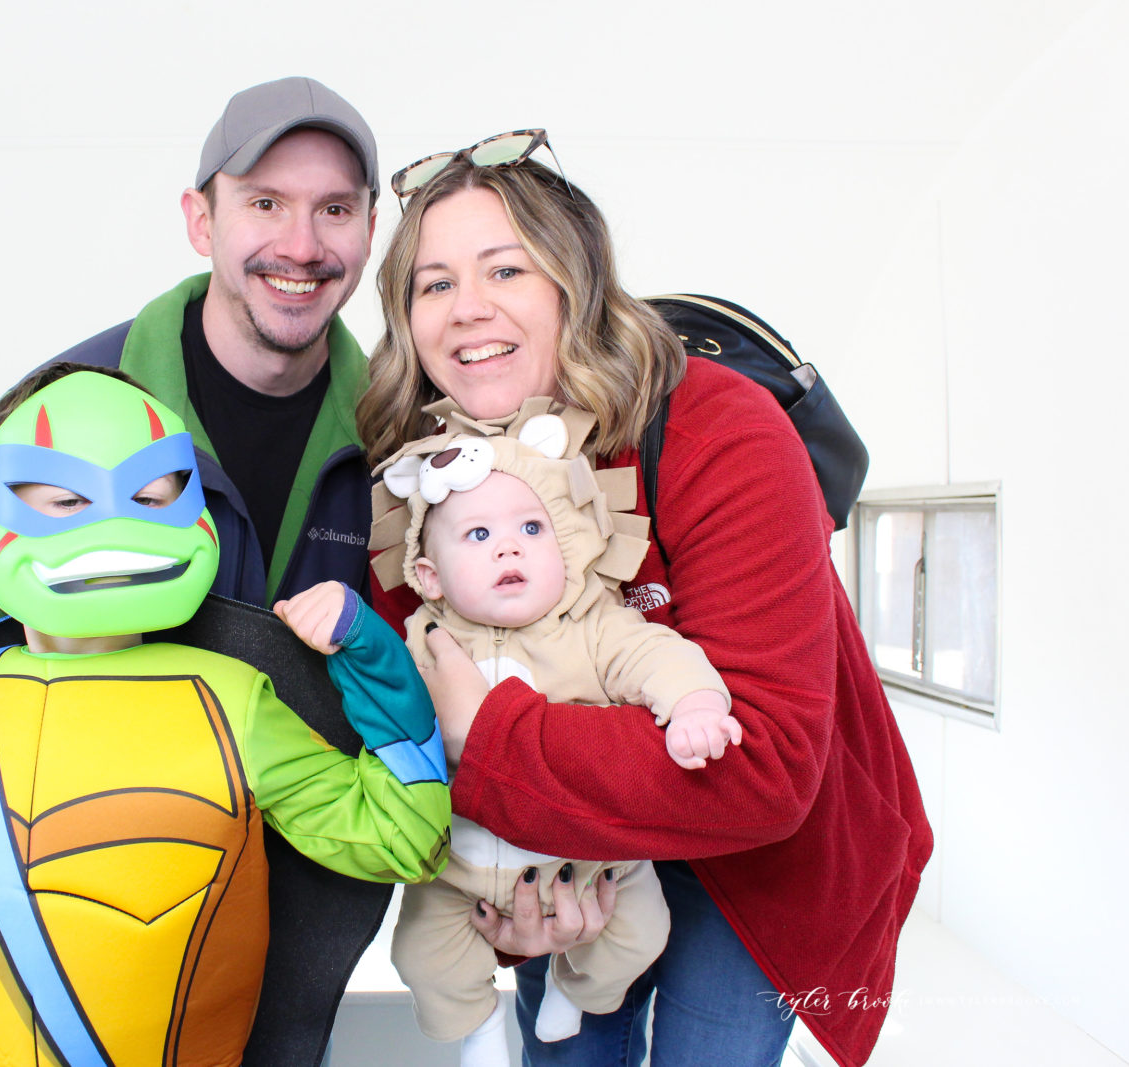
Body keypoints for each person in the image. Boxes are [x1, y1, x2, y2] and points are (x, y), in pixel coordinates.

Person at [355, 133, 932, 1067]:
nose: (469, 310)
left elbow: (769, 773)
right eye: (433, 283)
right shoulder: (422, 472)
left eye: (507, 268)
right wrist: (503, 904)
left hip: (762, 859)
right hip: (564, 831)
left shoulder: (722, 429)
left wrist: (489, 737)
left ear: (575, 283)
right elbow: (406, 722)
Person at [0, 74, 381, 920]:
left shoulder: (395, 430)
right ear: (201, 218)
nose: (300, 245)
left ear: (371, 227)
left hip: (295, 927)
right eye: (264, 204)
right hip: (58, 915)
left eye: (335, 209)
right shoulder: (59, 412)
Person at [0, 366, 450, 1067]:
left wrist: (369, 655)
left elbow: (403, 833)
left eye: (149, 496)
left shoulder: (231, 701)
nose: (111, 522)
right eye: (62, 499)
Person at [279, 406, 742, 1067]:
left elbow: (657, 657)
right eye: (477, 534)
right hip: (459, 869)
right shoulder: (426, 638)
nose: (509, 546)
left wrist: (694, 705)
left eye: (531, 527)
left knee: (642, 932)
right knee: (420, 952)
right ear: (430, 577)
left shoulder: (593, 625)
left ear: (568, 547)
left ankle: (577, 991)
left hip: (590, 863)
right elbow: (377, 686)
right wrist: (338, 621)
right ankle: (476, 1027)